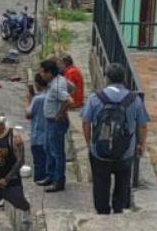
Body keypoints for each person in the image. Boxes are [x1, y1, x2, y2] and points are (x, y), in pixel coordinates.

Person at [82, 63, 150, 215]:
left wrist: (89, 142)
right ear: (124, 78)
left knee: (100, 183)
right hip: (125, 152)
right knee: (123, 181)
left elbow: (86, 122)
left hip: (99, 152)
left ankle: (102, 211)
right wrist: (141, 145)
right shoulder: (135, 100)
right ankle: (118, 209)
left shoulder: (95, 98)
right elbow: (143, 125)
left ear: (107, 78)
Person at [41, 58, 71, 193]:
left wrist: (60, 113)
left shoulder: (56, 86)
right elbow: (72, 88)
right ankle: (50, 175)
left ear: (49, 73)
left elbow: (69, 100)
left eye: (43, 72)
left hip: (56, 122)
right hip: (50, 121)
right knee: (48, 148)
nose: (41, 75)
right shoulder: (58, 81)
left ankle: (58, 180)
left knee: (57, 152)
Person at [26, 71, 49, 185]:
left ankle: (39, 183)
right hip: (48, 136)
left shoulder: (37, 99)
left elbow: (28, 114)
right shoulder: (50, 95)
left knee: (39, 163)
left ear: (37, 84)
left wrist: (29, 100)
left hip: (38, 136)